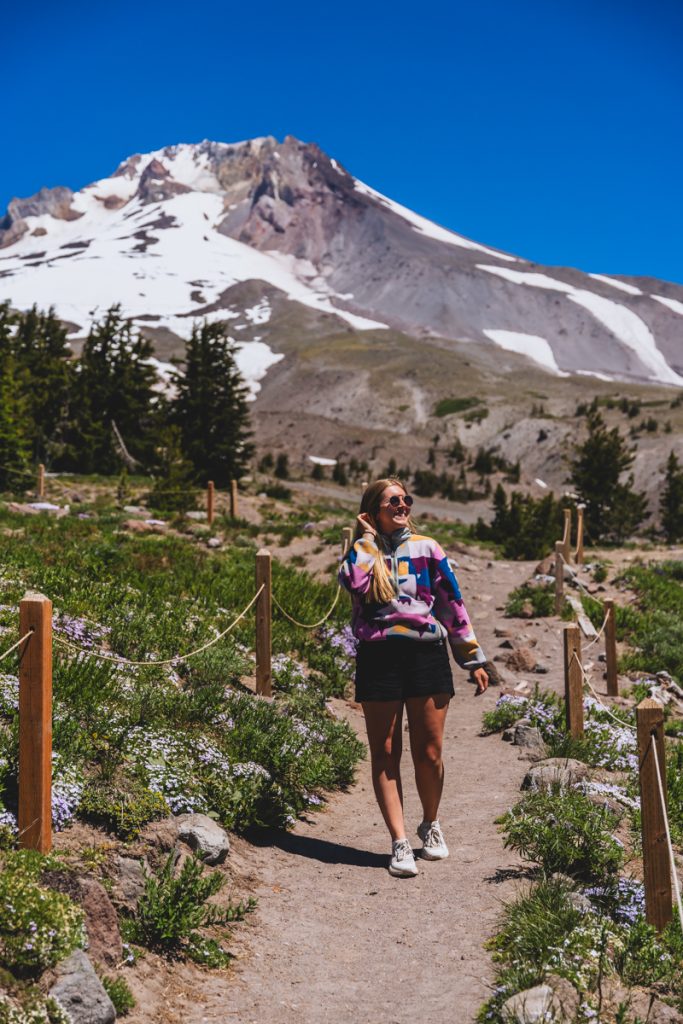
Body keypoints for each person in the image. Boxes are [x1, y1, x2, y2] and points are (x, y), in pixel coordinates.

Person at [339, 478, 488, 877]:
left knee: (430, 750)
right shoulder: (361, 552)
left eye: (406, 500)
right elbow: (352, 582)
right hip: (379, 656)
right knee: (385, 752)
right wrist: (368, 539)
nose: (403, 505)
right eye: (393, 501)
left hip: (427, 654)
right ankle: (399, 842)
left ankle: (431, 824)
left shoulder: (429, 548)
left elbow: (452, 604)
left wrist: (473, 658)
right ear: (373, 510)